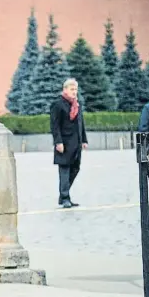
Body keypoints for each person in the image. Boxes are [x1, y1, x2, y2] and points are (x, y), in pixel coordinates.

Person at [50, 78, 88, 208]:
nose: (74, 92)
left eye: (76, 89)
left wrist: (84, 139)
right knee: (64, 170)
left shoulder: (77, 104)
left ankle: (63, 195)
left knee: (75, 169)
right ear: (65, 89)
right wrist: (58, 142)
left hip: (76, 143)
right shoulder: (58, 104)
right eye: (72, 89)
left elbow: (80, 123)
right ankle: (65, 197)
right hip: (64, 144)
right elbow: (55, 125)